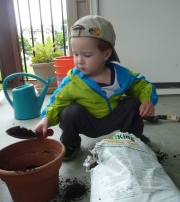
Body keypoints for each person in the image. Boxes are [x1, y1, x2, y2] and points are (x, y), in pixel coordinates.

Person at [34, 15, 158, 160]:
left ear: (106, 54)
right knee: (69, 112)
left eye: (86, 55)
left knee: (133, 103)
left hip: (113, 118)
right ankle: (70, 143)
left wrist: (147, 101)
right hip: (88, 122)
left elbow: (141, 85)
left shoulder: (120, 75)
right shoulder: (73, 82)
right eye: (75, 54)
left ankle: (134, 137)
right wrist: (46, 119)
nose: (79, 61)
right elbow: (56, 102)